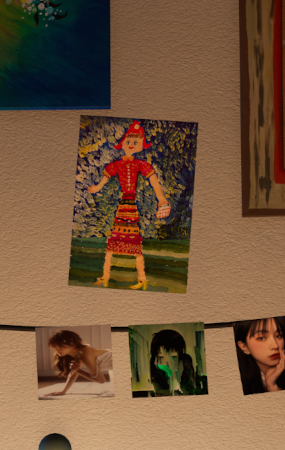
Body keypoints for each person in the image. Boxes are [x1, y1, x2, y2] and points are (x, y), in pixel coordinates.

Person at [96, 120, 170, 289]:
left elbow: (153, 180)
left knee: (135, 245)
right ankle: (105, 277)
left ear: (141, 145)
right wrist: (97, 187)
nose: (131, 144)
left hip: (130, 208)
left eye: (135, 142)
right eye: (128, 141)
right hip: (123, 207)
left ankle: (142, 279)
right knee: (112, 243)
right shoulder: (117, 164)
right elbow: (105, 178)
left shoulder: (140, 164)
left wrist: (161, 198)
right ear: (122, 143)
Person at [235, 317, 285, 393]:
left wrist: (272, 386)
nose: (275, 346)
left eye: (278, 336)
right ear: (244, 346)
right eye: (261, 338)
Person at [40, 329, 108, 397]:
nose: (56, 349)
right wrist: (63, 391)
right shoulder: (78, 351)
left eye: (60, 346)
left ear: (73, 345)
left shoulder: (85, 354)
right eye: (55, 346)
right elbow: (74, 372)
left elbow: (101, 380)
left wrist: (78, 370)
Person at [143, 328, 200, 396]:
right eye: (161, 357)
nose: (167, 362)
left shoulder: (186, 365)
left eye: (173, 357)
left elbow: (192, 389)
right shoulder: (154, 370)